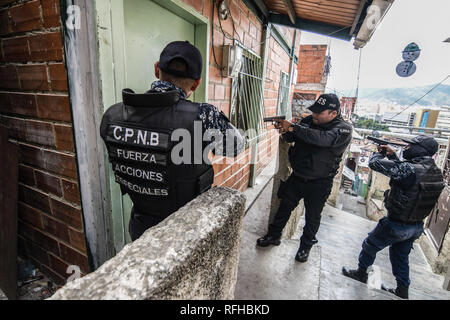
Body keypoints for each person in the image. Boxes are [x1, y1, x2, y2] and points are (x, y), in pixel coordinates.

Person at [100, 41, 244, 241]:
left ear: (157, 69)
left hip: (141, 230)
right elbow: (236, 146)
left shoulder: (113, 115)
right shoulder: (203, 115)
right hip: (186, 232)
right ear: (196, 83)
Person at [342, 135, 444, 299]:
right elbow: (405, 175)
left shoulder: (411, 169)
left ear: (422, 150)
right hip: (416, 226)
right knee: (400, 257)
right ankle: (402, 290)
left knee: (370, 245)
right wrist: (392, 155)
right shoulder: (436, 172)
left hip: (397, 223)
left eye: (411, 145)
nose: (407, 147)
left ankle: (361, 273)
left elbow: (375, 164)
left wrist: (379, 152)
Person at [256, 93, 353, 263]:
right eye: (314, 111)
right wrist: (284, 130)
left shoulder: (343, 129)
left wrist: (293, 128)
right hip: (298, 176)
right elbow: (292, 137)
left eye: (319, 113)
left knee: (312, 217)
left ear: (333, 114)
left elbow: (323, 139)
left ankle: (304, 247)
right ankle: (273, 236)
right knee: (284, 208)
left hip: (320, 182)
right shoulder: (308, 121)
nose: (314, 115)